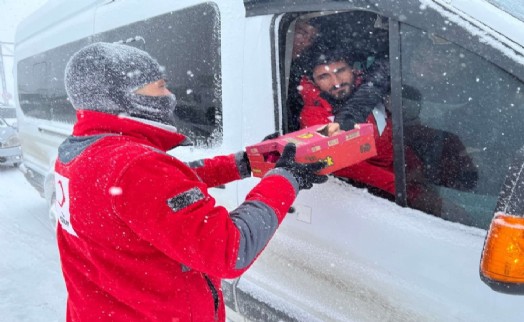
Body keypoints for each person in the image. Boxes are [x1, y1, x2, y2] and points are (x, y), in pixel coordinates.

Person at [54, 42, 327, 322]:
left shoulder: (82, 152)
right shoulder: (135, 166)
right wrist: (286, 178)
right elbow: (230, 250)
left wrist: (245, 163)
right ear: (123, 98)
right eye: (160, 87)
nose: (170, 96)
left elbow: (159, 187)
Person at [298, 46, 395, 195]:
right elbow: (343, 163)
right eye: (324, 76)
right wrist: (398, 186)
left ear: (352, 70)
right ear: (313, 81)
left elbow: (393, 135)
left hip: (399, 174)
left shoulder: (369, 91)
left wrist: (414, 168)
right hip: (372, 193)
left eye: (340, 71)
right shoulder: (314, 116)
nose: (336, 82)